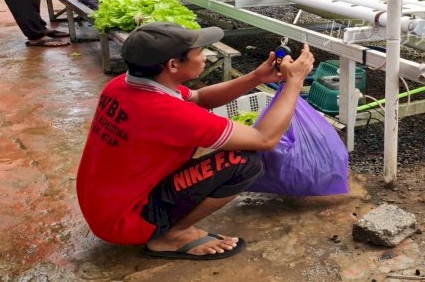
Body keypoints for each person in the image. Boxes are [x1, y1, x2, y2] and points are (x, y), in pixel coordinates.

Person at [76, 22, 315, 260]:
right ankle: (171, 236)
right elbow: (265, 139)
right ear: (173, 65)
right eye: (199, 52)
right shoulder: (169, 113)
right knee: (244, 161)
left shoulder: (121, 85)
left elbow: (200, 98)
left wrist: (256, 76)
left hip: (103, 205)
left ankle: (166, 224)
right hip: (127, 221)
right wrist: (294, 82)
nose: (204, 57)